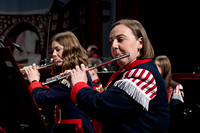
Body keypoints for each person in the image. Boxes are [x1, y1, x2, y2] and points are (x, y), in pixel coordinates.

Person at [68, 19, 170, 132]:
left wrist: (79, 84)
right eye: (111, 41)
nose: (114, 46)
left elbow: (101, 107)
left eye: (120, 39)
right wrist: (84, 81)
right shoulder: (127, 72)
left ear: (140, 43)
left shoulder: (143, 75)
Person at [22, 31, 95, 133]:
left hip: (75, 129)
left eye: (58, 50)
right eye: (53, 51)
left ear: (70, 50)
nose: (54, 54)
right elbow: (53, 94)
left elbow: (42, 99)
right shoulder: (67, 73)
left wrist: (34, 80)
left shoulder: (75, 74)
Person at [154, 55, 184, 132]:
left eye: (159, 66)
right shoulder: (152, 85)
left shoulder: (176, 87)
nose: (156, 68)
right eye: (155, 65)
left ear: (165, 68)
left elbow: (177, 114)